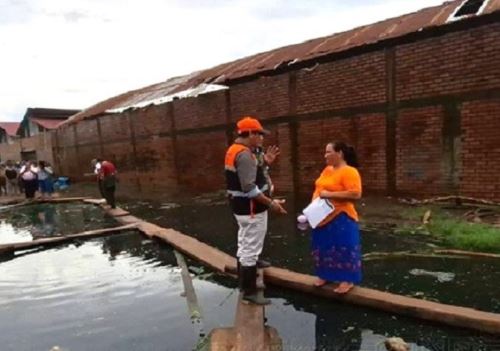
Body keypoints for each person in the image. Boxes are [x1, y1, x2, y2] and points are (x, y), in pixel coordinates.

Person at [225, 116, 287, 305]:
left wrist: (265, 162)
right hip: (251, 209)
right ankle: (249, 291)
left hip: (241, 207)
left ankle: (247, 274)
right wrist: (271, 203)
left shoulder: (235, 150)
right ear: (249, 133)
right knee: (250, 247)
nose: (261, 138)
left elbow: (250, 174)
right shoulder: (244, 154)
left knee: (245, 241)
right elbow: (249, 188)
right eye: (259, 134)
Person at [310, 141, 362, 294]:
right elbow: (319, 188)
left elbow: (355, 194)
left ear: (339, 153)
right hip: (321, 215)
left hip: (341, 215)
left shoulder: (349, 171)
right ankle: (325, 275)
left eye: (328, 152)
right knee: (323, 246)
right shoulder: (327, 170)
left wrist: (329, 195)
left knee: (342, 247)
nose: (325, 155)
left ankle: (347, 279)